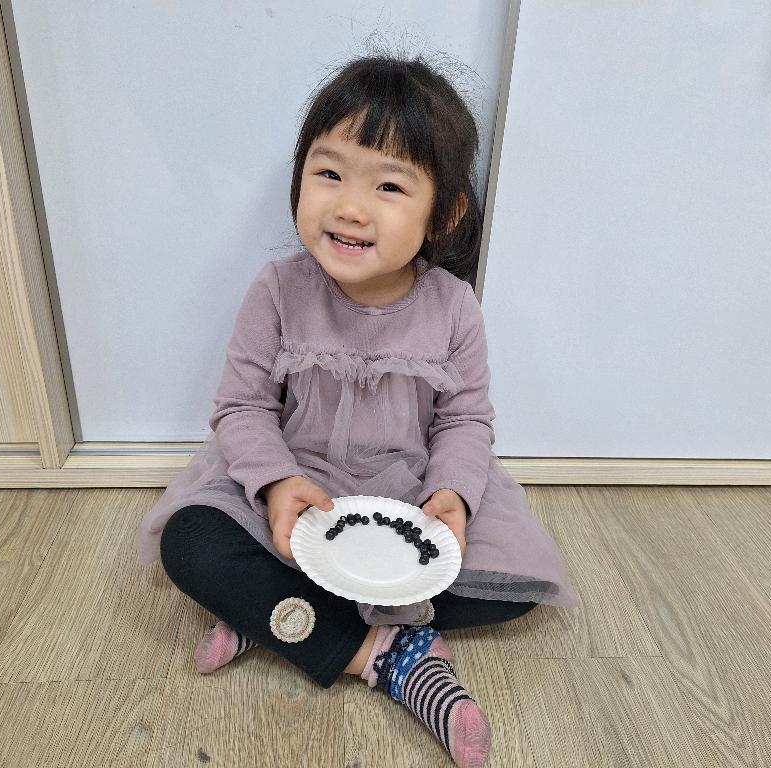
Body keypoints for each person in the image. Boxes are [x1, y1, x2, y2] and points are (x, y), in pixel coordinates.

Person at [135, 53, 579, 768]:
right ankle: (391, 656)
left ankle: (274, 614)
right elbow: (242, 408)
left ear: (445, 213)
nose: (349, 206)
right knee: (190, 542)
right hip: (297, 494)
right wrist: (276, 484)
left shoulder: (453, 306)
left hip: (406, 497)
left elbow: (465, 421)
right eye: (330, 173)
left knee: (513, 588)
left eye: (389, 186)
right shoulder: (278, 290)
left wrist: (452, 495)